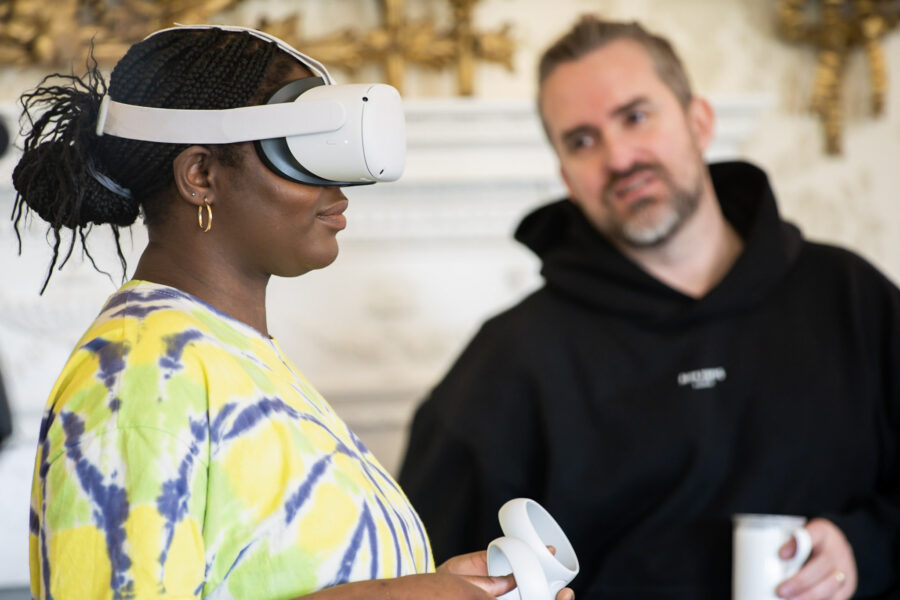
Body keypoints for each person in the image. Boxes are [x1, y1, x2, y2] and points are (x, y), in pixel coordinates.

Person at [14, 24, 575, 600]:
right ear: (200, 175)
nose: (338, 189)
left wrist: (439, 589)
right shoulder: (138, 373)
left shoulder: (236, 359)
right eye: (299, 151)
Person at [399, 15, 900, 600]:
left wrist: (864, 549)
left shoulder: (850, 297)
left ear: (699, 121)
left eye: (635, 117)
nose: (618, 157)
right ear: (566, 176)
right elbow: (420, 575)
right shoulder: (508, 361)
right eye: (582, 141)